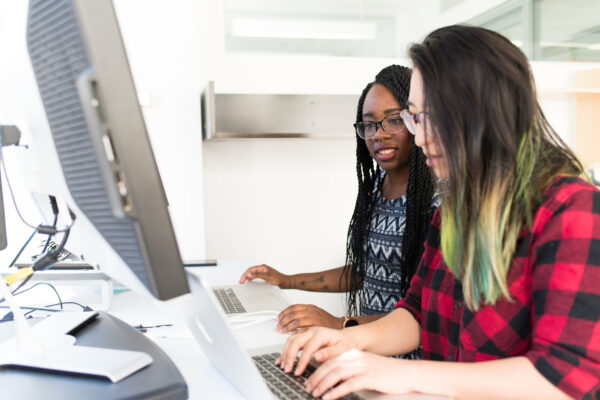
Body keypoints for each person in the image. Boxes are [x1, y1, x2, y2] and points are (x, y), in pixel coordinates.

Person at [277, 25, 600, 400]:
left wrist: (401, 373)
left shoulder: (573, 211)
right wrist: (345, 339)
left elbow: (559, 377)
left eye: (427, 117)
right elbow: (415, 310)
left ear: (481, 111)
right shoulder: (455, 209)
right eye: (414, 117)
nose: (419, 135)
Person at [239, 65, 437, 353]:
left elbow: (425, 313)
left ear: (415, 120)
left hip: (414, 362)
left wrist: (340, 324)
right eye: (369, 124)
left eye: (393, 121)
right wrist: (285, 280)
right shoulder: (375, 187)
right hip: (367, 350)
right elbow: (363, 272)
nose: (378, 135)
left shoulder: (437, 202)